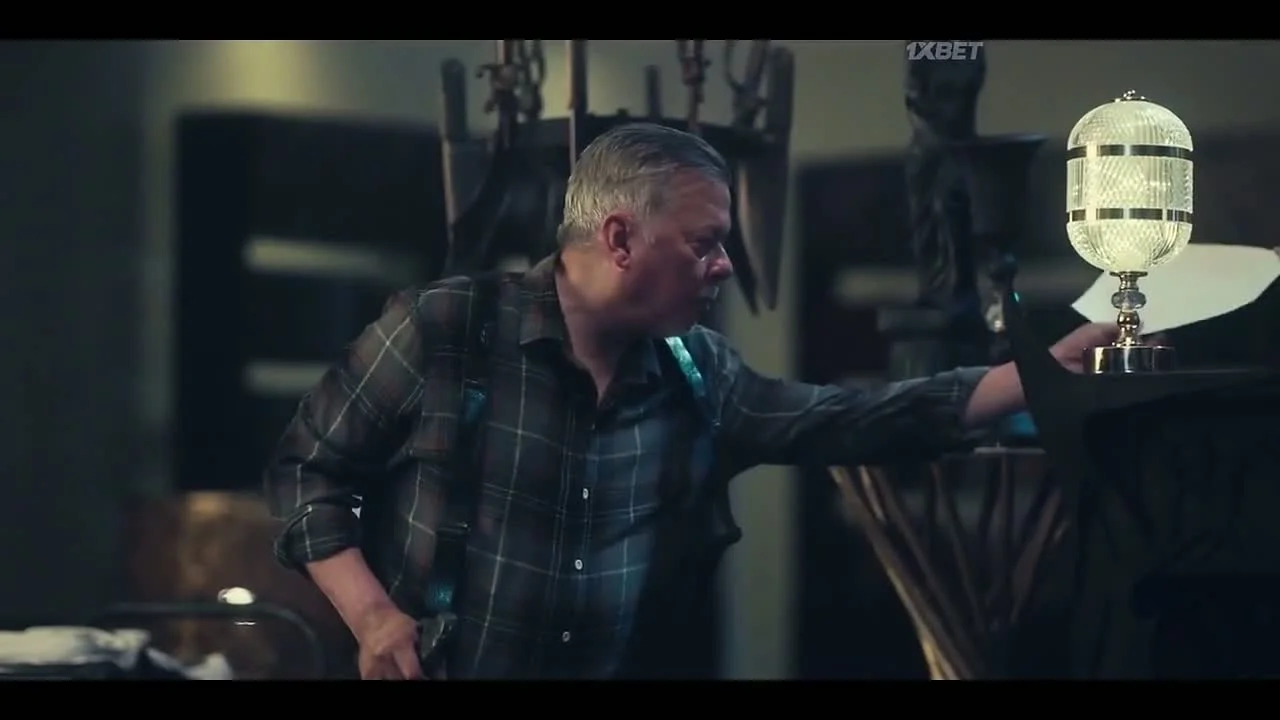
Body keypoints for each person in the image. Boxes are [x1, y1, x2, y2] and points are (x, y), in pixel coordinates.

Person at [264, 122, 1117, 680]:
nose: (724, 268)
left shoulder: (697, 374)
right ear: (620, 238)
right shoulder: (446, 327)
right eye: (705, 244)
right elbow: (306, 474)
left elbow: (851, 418)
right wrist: (374, 619)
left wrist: (1035, 375)